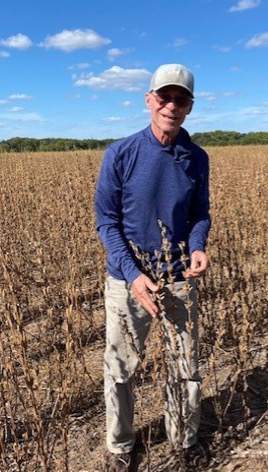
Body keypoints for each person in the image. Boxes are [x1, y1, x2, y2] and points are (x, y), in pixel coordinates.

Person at [94, 64, 211, 471]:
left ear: (190, 107)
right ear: (148, 100)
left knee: (185, 367)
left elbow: (200, 214)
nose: (171, 106)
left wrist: (197, 247)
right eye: (164, 97)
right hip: (129, 280)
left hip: (180, 279)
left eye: (180, 100)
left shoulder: (197, 158)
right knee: (120, 369)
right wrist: (133, 274)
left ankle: (183, 440)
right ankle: (121, 447)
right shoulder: (121, 153)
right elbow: (106, 222)